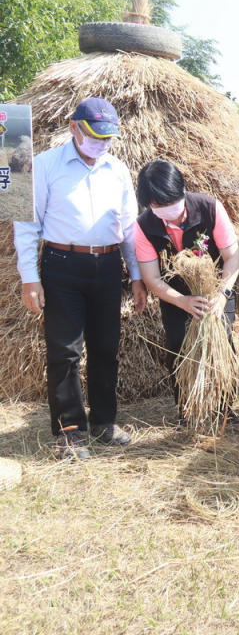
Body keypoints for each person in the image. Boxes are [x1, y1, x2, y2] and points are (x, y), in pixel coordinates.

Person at [14, 97, 146, 459]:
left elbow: (129, 228)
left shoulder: (116, 169)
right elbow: (26, 224)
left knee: (106, 347)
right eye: (94, 135)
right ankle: (70, 432)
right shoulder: (44, 165)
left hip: (107, 267)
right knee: (65, 352)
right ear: (74, 127)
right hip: (61, 265)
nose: (100, 144)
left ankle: (104, 422)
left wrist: (135, 276)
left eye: (107, 138)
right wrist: (30, 278)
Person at [132, 160, 239, 422]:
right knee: (179, 345)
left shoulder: (209, 208)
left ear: (181, 192)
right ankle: (186, 407)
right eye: (156, 206)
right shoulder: (144, 226)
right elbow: (152, 278)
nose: (164, 210)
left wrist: (220, 295)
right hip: (175, 294)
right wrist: (183, 302)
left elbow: (232, 258)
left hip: (216, 287)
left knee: (221, 340)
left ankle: (225, 406)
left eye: (168, 202)